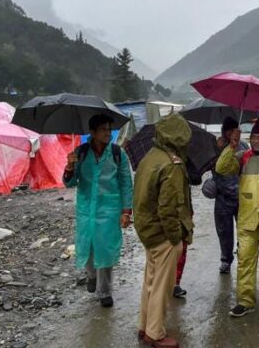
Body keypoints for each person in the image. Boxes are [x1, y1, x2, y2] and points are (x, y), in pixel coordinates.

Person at [133, 113, 194, 348]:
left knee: (150, 280)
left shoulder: (151, 156)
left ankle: (145, 325)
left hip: (147, 230)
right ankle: (155, 333)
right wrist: (175, 238)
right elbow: (169, 208)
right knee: (162, 286)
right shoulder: (172, 165)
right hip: (162, 234)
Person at [215, 118, 259, 317]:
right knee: (245, 260)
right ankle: (245, 300)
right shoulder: (242, 157)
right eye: (253, 137)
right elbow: (221, 168)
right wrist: (231, 146)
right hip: (247, 220)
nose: (256, 141)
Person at [63, 114, 133, 308]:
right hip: (87, 209)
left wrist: (126, 211)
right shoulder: (81, 152)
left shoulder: (118, 154)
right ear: (92, 132)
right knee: (87, 247)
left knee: (106, 250)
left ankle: (105, 292)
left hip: (109, 210)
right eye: (103, 129)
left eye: (109, 129)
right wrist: (69, 167)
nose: (108, 133)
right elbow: (70, 182)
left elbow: (126, 183)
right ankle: (91, 275)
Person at [211, 117, 248, 274]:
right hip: (222, 198)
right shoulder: (217, 146)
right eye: (228, 130)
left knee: (244, 231)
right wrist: (218, 150)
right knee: (224, 233)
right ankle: (226, 259)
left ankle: (244, 256)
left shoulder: (244, 146)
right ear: (224, 131)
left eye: (234, 130)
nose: (232, 133)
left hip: (241, 197)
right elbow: (213, 169)